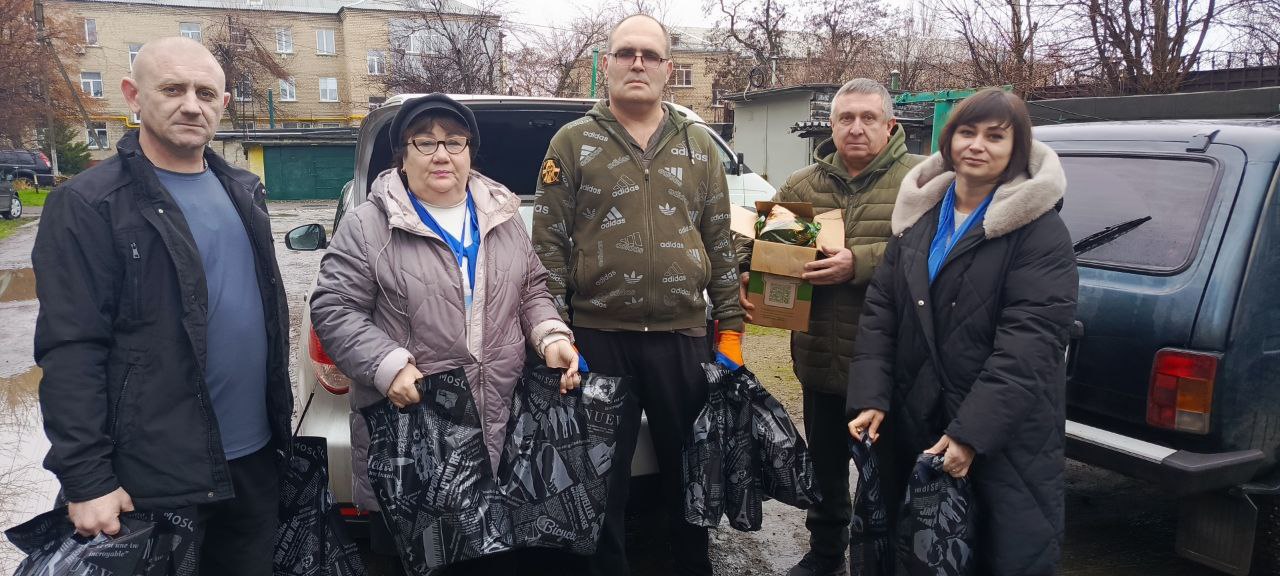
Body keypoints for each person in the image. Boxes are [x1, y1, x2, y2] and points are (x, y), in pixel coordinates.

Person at [31, 36, 293, 575]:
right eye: (172, 89)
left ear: (224, 103)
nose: (191, 105)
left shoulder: (243, 191)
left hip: (252, 458)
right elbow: (71, 349)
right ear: (133, 95)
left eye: (206, 92)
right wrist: (87, 478)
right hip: (153, 474)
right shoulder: (88, 204)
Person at [309, 93, 580, 576]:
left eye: (454, 142)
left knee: (489, 559)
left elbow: (532, 288)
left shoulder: (503, 214)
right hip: (414, 439)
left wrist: (549, 336)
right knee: (417, 562)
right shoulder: (369, 225)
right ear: (404, 153)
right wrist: (387, 364)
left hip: (497, 431)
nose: (441, 154)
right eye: (425, 142)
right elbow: (334, 307)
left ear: (470, 151)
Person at [530, 13, 746, 576]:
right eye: (626, 53)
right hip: (599, 340)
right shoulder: (572, 143)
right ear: (607, 64)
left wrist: (731, 332)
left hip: (682, 340)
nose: (638, 63)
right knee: (601, 482)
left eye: (650, 55)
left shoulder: (699, 145)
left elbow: (720, 243)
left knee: (691, 477)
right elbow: (548, 247)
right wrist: (558, 332)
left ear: (668, 69)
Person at [846, 88, 1078, 575]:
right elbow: (880, 314)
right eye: (967, 132)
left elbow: (1029, 345)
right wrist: (872, 395)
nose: (977, 145)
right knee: (916, 555)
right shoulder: (920, 217)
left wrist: (971, 434)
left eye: (995, 136)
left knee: (994, 555)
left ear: (1017, 149)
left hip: (1000, 437)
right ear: (948, 141)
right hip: (916, 418)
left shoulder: (1038, 231)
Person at [738, 78, 923, 576]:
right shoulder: (804, 186)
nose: (856, 128)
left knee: (887, 479)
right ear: (833, 125)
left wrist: (856, 263)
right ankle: (824, 557)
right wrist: (744, 273)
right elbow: (761, 251)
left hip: (890, 368)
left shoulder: (920, 182)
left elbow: (932, 256)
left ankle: (882, 562)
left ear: (891, 125)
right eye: (846, 118)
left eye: (868, 118)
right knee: (825, 474)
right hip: (820, 357)